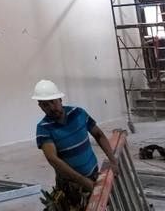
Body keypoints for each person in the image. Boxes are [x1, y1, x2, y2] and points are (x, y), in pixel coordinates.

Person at [33, 79, 119, 209]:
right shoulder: (44, 128)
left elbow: (98, 134)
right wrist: (83, 181)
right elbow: (53, 159)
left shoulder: (78, 113)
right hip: (71, 187)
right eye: (45, 105)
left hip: (93, 175)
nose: (51, 108)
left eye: (53, 102)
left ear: (60, 99)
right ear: (40, 106)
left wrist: (113, 160)